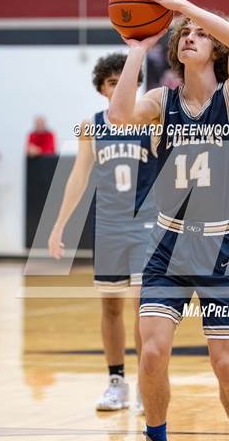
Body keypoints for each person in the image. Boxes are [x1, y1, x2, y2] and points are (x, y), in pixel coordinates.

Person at [108, 0, 229, 441]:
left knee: (224, 361)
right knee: (152, 352)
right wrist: (138, 47)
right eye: (184, 35)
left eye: (198, 34)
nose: (189, 37)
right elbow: (117, 116)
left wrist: (178, 5)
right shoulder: (162, 101)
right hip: (167, 244)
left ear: (213, 49)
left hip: (221, 246)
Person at [48, 53, 157, 412]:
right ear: (101, 88)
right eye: (112, 82)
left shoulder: (151, 121)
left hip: (144, 226)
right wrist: (59, 224)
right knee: (110, 306)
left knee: (145, 306)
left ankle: (146, 384)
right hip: (108, 227)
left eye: (125, 79)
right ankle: (116, 383)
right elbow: (78, 178)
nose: (119, 87)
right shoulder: (90, 127)